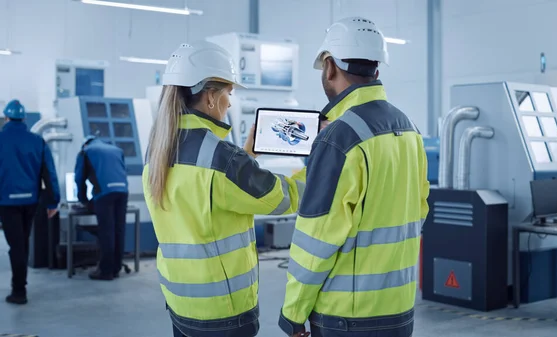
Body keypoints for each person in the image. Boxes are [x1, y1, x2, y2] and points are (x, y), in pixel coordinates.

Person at [278, 17, 430, 337]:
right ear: (376, 69)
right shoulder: (410, 129)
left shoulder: (340, 138)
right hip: (399, 309)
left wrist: (293, 313)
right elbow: (419, 211)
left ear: (330, 66)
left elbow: (315, 241)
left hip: (346, 316)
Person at [142, 42, 306, 337]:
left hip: (180, 301)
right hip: (223, 313)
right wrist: (321, 159)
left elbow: (211, 190)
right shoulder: (222, 158)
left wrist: (246, 157)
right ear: (210, 97)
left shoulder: (157, 149)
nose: (230, 102)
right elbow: (286, 199)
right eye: (228, 93)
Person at [0, 99, 61, 304]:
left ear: (6, 117)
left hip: (6, 202)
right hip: (30, 202)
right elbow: (49, 174)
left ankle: (19, 291)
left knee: (16, 246)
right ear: (24, 118)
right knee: (22, 243)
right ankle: (20, 287)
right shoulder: (37, 141)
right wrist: (53, 202)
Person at [74, 135, 129, 281]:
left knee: (106, 232)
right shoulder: (116, 149)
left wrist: (83, 200)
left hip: (104, 193)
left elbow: (79, 179)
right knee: (119, 230)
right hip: (122, 192)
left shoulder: (86, 151)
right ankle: (116, 268)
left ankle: (105, 272)